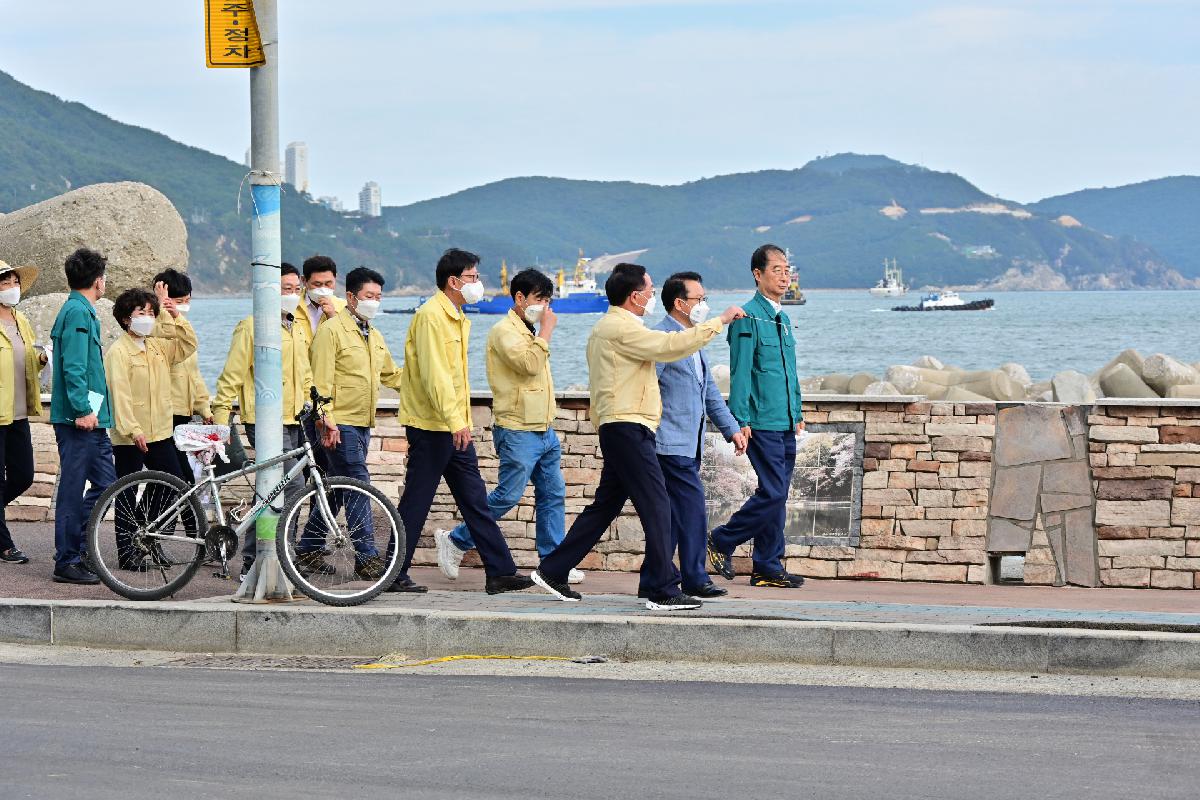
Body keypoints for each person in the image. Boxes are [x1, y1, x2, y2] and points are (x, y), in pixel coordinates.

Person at [531, 263, 745, 611]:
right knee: (658, 505)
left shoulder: (617, 326)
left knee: (605, 506)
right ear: (634, 296)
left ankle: (554, 569)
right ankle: (662, 589)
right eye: (648, 290)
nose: (651, 295)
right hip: (627, 427)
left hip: (624, 427)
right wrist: (718, 321)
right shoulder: (620, 327)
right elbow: (671, 345)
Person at [396, 248, 534, 595]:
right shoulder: (431, 316)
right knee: (417, 501)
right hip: (432, 426)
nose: (477, 283)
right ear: (453, 281)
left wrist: (461, 421)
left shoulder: (456, 316)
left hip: (453, 426)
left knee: (475, 499)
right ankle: (393, 573)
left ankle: (500, 572)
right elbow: (436, 376)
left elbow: (456, 378)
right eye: (472, 277)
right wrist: (456, 421)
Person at [434, 268, 583, 584]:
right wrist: (547, 332)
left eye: (547, 300)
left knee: (553, 495)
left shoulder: (529, 330)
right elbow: (529, 365)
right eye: (539, 299)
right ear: (519, 297)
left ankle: (553, 564)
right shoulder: (504, 331)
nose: (544, 306)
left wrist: (540, 333)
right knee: (507, 496)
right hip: (516, 428)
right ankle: (455, 540)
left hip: (544, 427)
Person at [707, 244, 806, 589]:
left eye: (787, 269)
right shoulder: (747, 317)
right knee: (775, 494)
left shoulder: (783, 317)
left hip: (786, 422)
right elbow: (741, 373)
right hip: (760, 422)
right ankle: (723, 539)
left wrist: (798, 412)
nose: (784, 275)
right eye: (776, 269)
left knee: (775, 493)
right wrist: (741, 420)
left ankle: (767, 565)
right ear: (758, 274)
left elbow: (789, 372)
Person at [212, 263, 313, 576]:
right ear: (269, 291)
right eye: (286, 289)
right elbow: (232, 376)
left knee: (275, 489)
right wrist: (220, 420)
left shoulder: (298, 326)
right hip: (265, 419)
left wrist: (317, 408)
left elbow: (305, 373)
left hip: (296, 418)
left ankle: (264, 556)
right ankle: (272, 557)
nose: (292, 295)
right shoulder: (252, 326)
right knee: (292, 486)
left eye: (297, 289)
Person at [305, 266, 403, 581]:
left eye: (378, 296)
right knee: (358, 484)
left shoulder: (373, 335)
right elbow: (319, 381)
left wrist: (428, 380)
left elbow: (392, 375)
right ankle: (367, 557)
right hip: (338, 422)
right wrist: (326, 421)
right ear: (350, 296)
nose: (374, 301)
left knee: (337, 489)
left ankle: (307, 548)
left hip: (362, 422)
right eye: (368, 296)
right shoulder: (331, 331)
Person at [653, 271, 748, 599]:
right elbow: (648, 388)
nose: (704, 304)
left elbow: (708, 392)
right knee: (693, 510)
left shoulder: (695, 341)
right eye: (699, 299)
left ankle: (660, 577)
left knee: (673, 515)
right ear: (680, 303)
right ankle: (693, 577)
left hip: (689, 444)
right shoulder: (662, 338)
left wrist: (731, 429)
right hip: (667, 443)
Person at [105, 284, 198, 570]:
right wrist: (133, 430)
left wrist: (174, 316)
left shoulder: (157, 344)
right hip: (131, 435)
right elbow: (119, 394)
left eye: (150, 312)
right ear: (125, 318)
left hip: (160, 431)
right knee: (127, 491)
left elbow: (187, 345)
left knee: (173, 484)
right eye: (140, 312)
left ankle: (145, 535)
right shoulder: (118, 352)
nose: (147, 317)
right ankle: (127, 552)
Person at [49, 248, 116, 585]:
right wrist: (82, 409)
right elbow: (73, 366)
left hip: (94, 418)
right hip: (81, 419)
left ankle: (80, 547)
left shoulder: (84, 311)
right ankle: (67, 560)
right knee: (74, 489)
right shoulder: (77, 312)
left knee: (107, 484)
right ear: (97, 280)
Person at [0, 261, 45, 566]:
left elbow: (27, 358)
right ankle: (4, 545)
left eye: (15, 281)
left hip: (18, 412)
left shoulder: (21, 320)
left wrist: (41, 359)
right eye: (6, 282)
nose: (12, 287)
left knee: (23, 475)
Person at [153, 268, 212, 481]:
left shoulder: (183, 326)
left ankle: (151, 516)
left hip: (183, 413)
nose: (184, 305)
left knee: (171, 479)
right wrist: (164, 311)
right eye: (178, 300)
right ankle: (189, 516)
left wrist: (204, 409)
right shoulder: (157, 328)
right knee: (177, 478)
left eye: (187, 299)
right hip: (164, 413)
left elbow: (193, 375)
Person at [294, 255, 346, 339]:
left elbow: (348, 344)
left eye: (328, 283)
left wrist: (332, 317)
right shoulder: (292, 304)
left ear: (335, 278)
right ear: (304, 280)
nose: (323, 289)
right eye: (317, 284)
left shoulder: (345, 308)